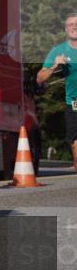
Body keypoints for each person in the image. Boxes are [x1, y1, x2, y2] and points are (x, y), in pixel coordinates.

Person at [37, 13, 77, 172]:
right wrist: (54, 66)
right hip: (74, 102)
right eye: (70, 25)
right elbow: (40, 78)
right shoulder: (59, 50)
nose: (74, 27)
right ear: (66, 30)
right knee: (75, 143)